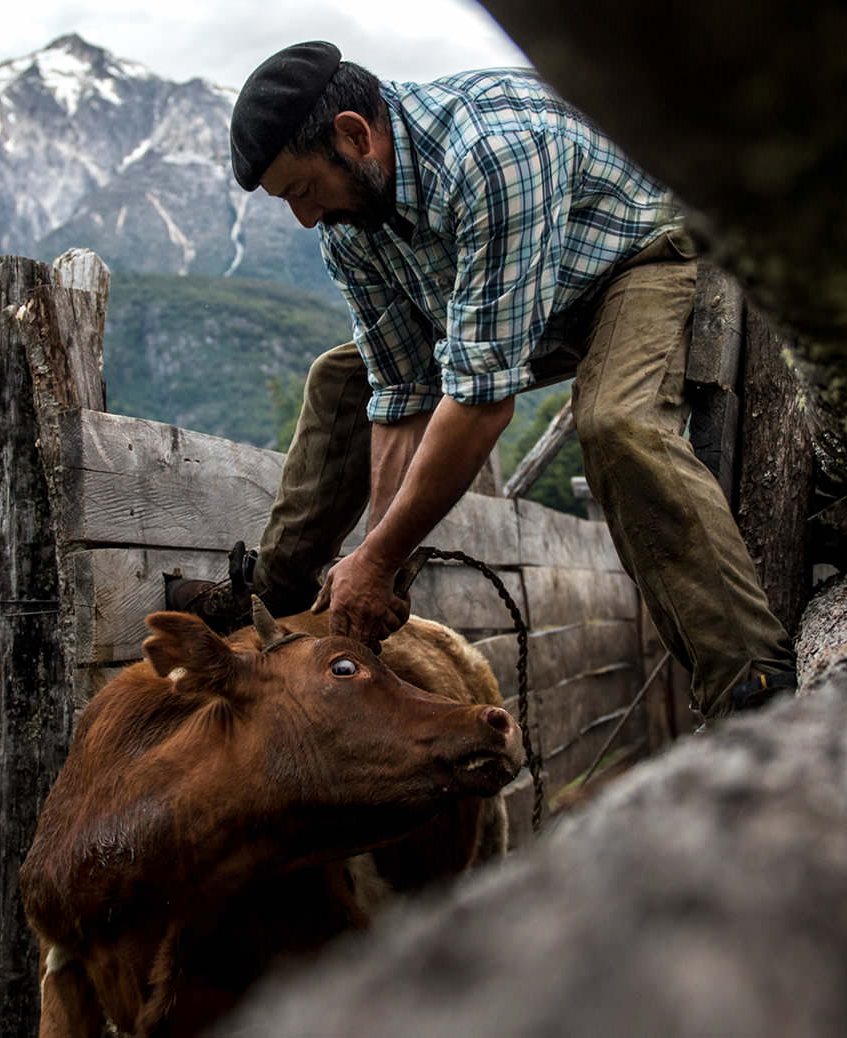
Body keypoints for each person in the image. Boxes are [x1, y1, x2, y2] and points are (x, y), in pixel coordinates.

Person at [167, 41, 795, 718]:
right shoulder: (350, 227)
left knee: (618, 422)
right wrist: (380, 570)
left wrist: (377, 558)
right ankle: (270, 598)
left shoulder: (494, 155)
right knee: (339, 380)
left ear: (354, 136)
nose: (306, 217)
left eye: (304, 190)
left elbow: (479, 403)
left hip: (636, 259)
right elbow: (402, 393)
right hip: (521, 294)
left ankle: (748, 682)